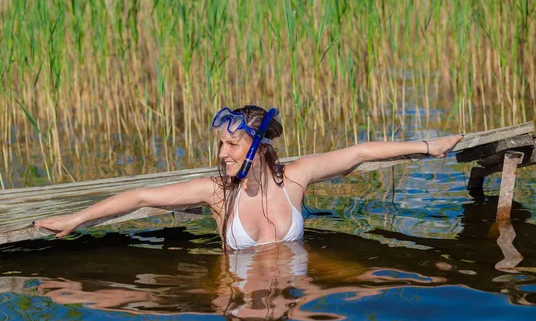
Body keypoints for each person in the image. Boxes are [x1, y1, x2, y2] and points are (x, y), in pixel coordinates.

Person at [35, 105, 462, 251]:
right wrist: (74, 220)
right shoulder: (217, 193)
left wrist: (429, 147)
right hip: (235, 295)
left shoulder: (296, 178)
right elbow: (142, 196)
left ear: (256, 147)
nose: (222, 153)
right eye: (221, 144)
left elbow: (360, 152)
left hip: (295, 286)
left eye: (231, 146)